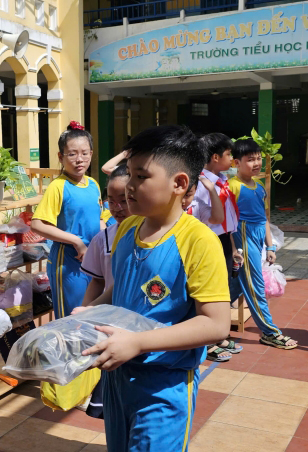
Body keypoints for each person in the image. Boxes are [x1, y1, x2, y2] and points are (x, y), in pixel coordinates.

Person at [73, 125, 231, 452]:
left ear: (179, 183)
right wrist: (93, 311)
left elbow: (216, 323)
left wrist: (139, 342)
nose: (129, 186)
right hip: (118, 376)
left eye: (141, 177)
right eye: (130, 174)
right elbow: (121, 291)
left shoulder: (199, 241)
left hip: (164, 385)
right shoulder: (126, 228)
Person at [230, 139, 298, 350]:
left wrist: (270, 246)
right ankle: (270, 332)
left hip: (258, 239)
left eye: (258, 158)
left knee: (233, 287)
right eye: (250, 160)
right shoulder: (233, 187)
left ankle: (205, 324)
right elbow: (229, 223)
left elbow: (263, 219)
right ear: (236, 163)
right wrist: (234, 249)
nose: (256, 163)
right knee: (255, 286)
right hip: (243, 240)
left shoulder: (259, 187)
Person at [31, 121, 102, 320]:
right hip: (68, 263)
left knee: (91, 316)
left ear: (91, 153)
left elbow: (100, 219)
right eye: (72, 154)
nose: (79, 159)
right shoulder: (58, 186)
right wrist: (76, 241)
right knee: (71, 319)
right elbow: (37, 224)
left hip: (93, 261)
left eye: (84, 153)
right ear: (61, 157)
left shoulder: (93, 184)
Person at [78, 163, 131, 418]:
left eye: (124, 199)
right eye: (111, 200)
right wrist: (86, 315)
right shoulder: (103, 239)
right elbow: (98, 281)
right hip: (109, 321)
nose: (117, 207)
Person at [183, 176, 239, 362]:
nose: (184, 200)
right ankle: (205, 343)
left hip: (197, 261)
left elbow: (218, 218)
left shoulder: (196, 205)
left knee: (200, 300)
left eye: (189, 194)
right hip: (179, 261)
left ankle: (208, 340)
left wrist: (212, 190)